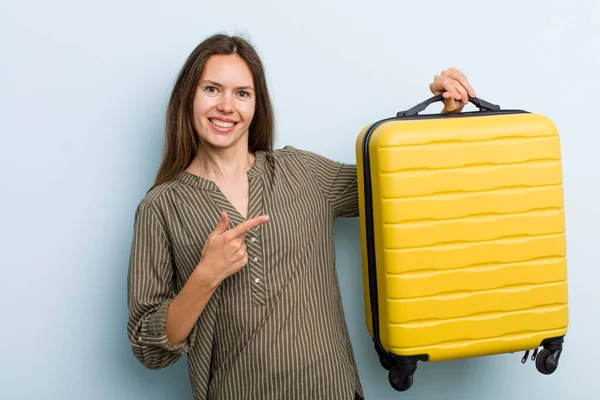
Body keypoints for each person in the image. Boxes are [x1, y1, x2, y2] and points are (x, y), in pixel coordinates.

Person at [126, 33, 477, 400]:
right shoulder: (161, 207)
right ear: (187, 98)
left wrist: (445, 115)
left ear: (257, 106)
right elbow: (147, 346)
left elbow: (400, 186)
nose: (227, 105)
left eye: (242, 93)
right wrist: (205, 276)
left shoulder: (303, 172)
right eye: (212, 89)